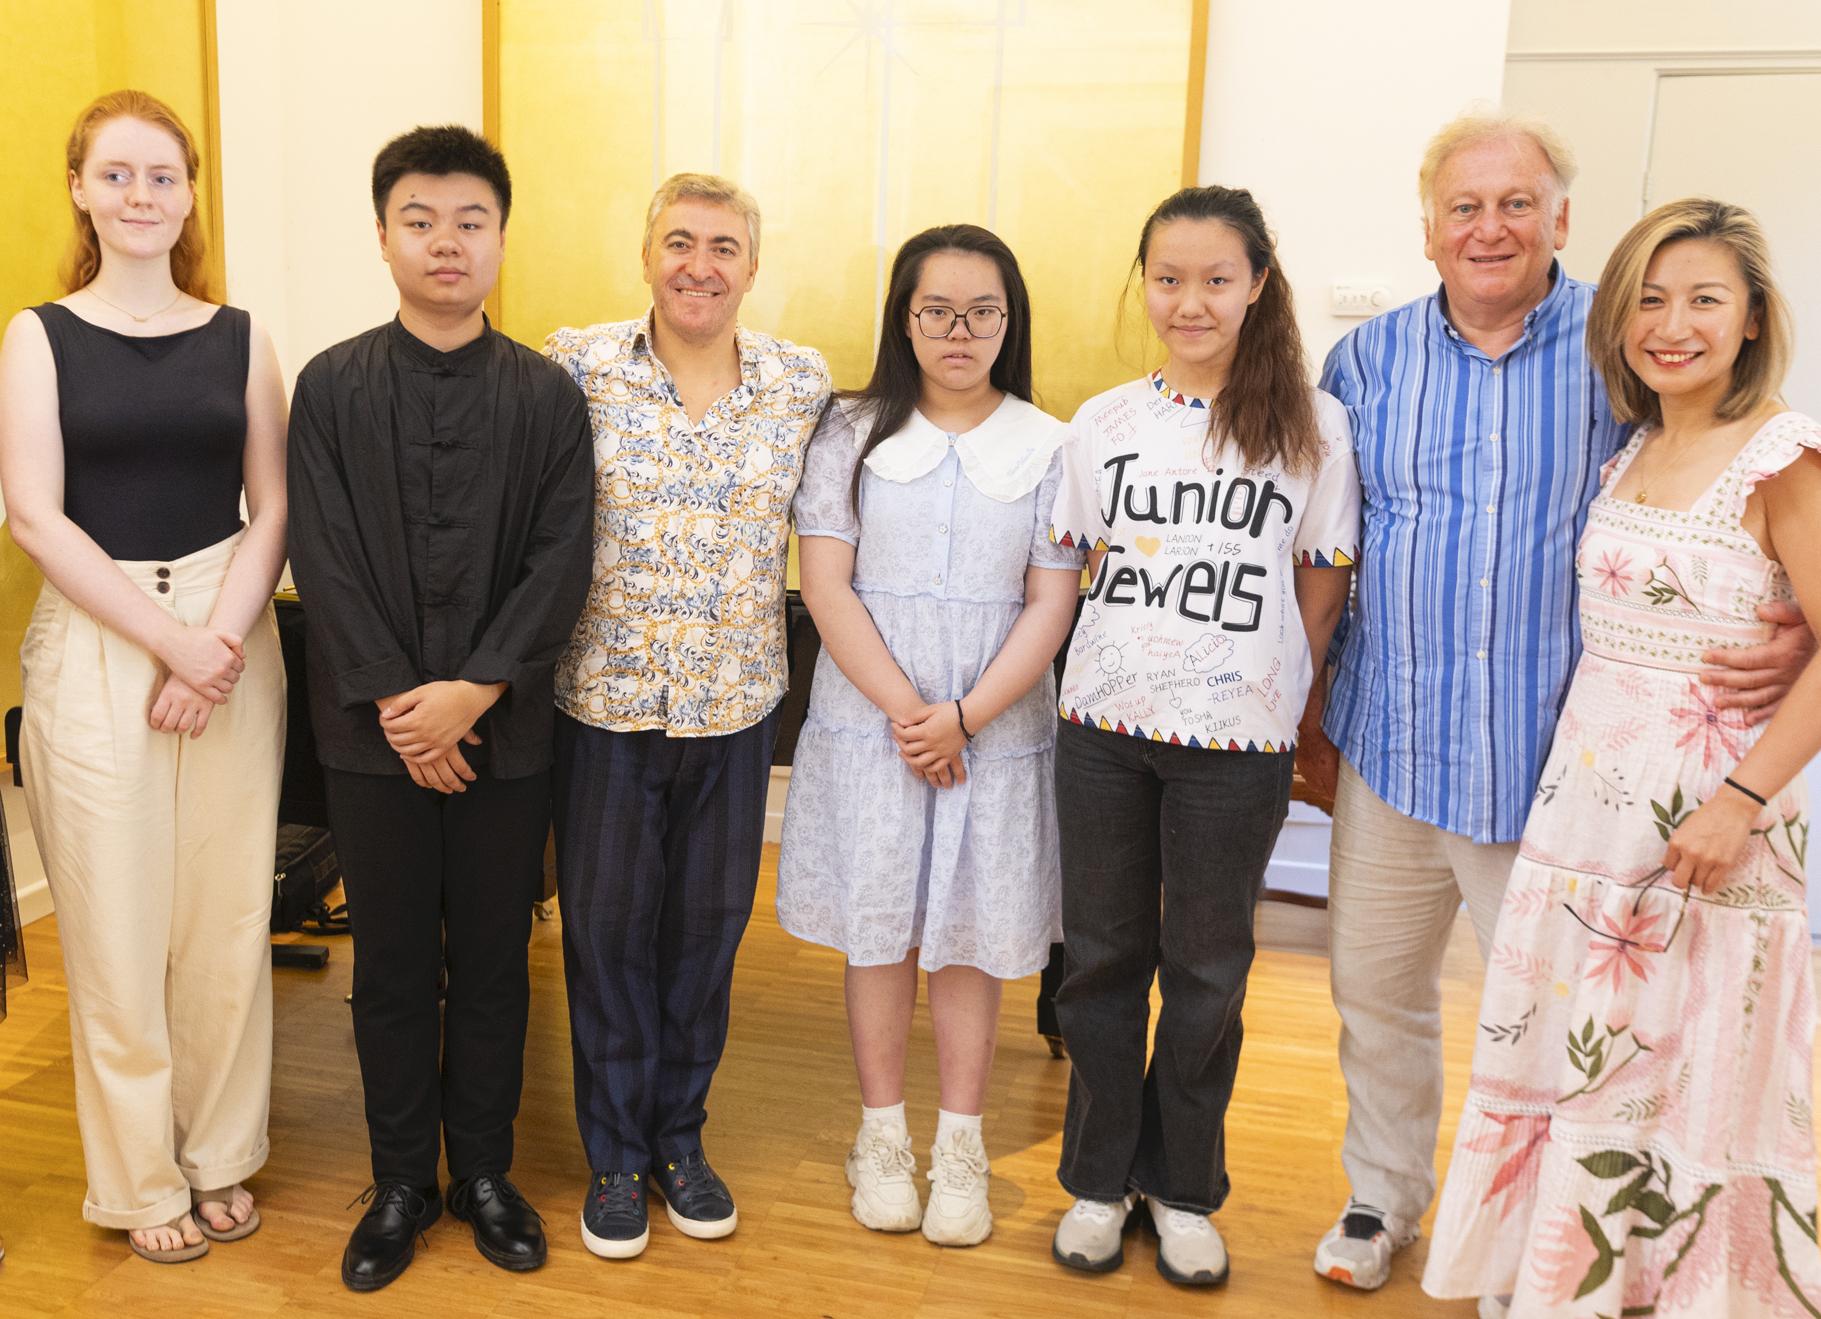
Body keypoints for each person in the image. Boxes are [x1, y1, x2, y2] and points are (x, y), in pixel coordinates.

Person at [1301, 113, 1816, 1294]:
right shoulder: (1363, 363)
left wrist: (1784, 624)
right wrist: (1313, 707)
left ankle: (1546, 1240)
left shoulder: (1614, 350)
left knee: (1557, 1028)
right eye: (1465, 206)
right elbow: (1332, 540)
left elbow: (1729, 501)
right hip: (1393, 741)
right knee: (1374, 995)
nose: (1490, 227)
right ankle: (1384, 1195)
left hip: (1556, 774)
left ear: (1561, 219)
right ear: (1428, 227)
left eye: (1517, 203)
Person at [1419, 198, 1821, 1318]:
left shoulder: (1783, 458)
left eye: (1703, 299)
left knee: (1692, 1075)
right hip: (1587, 819)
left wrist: (1739, 800)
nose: (1671, 324)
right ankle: (1577, 1285)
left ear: (1752, 319)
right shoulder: (1637, 444)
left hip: (1709, 824)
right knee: (1594, 1060)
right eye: (1647, 299)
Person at [286, 125, 593, 1291]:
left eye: (471, 220)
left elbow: (563, 556)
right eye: (420, 220)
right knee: (394, 964)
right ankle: (402, 1178)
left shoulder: (547, 397)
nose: (446, 241)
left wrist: (471, 693)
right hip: (372, 742)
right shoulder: (329, 386)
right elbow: (323, 554)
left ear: (502, 238)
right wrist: (403, 709)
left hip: (505, 734)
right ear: (383, 237)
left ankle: (488, 1173)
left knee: (500, 960)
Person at [1046, 185, 1360, 1286]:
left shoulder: (1314, 426)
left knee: (1208, 967)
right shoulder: (1101, 423)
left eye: (1216, 279)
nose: (1190, 301)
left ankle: (1181, 1185)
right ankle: (1097, 1177)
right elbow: (1074, 569)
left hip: (1238, 742)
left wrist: (1271, 686)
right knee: (1099, 960)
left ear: (1257, 283)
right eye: (1168, 279)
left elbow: (1320, 580)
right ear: (1145, 284)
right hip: (1102, 728)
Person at [0, 89, 287, 1264]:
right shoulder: (38, 335)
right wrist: (170, 644)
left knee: (226, 918)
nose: (140, 195)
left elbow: (274, 506)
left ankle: (220, 1150)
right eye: (116, 174)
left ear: (189, 193)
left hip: (230, 630)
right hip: (98, 634)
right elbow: (33, 513)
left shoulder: (241, 335)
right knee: (116, 929)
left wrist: (213, 646)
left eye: (162, 175)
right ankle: (139, 1178)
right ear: (79, 189)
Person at [776, 224, 1082, 1245]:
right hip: (872, 727)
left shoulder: (1050, 443)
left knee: (968, 935)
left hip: (994, 727)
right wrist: (915, 714)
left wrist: (964, 717)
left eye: (981, 312)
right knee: (881, 931)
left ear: (1009, 320)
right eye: (936, 310)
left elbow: (1050, 602)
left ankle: (961, 1146)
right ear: (904, 319)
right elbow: (826, 584)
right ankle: (880, 1137)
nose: (959, 331)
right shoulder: (848, 432)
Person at [545, 173, 832, 1260]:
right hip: (604, 705)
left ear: (752, 266)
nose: (698, 265)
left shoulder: (801, 382)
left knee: (705, 940)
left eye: (721, 247)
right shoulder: (575, 364)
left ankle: (680, 1139)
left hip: (735, 709)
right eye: (679, 242)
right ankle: (616, 1155)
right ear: (647, 255)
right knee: (607, 937)